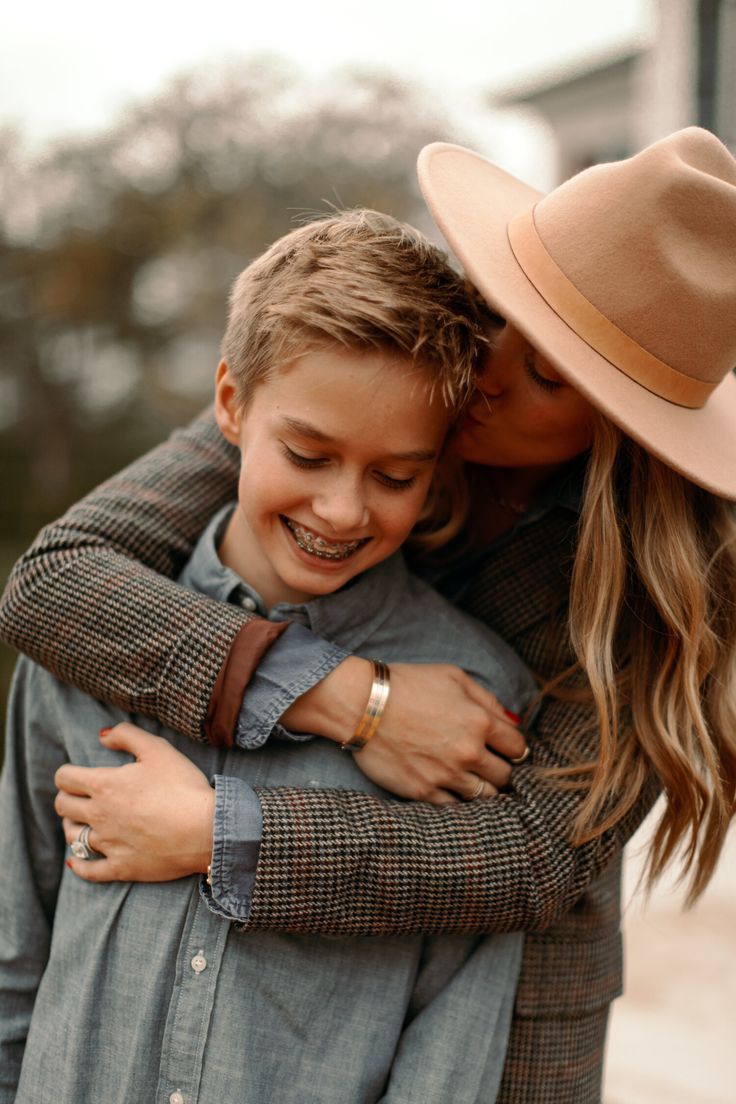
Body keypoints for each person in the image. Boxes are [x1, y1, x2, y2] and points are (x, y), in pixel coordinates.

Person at [2, 127, 736, 1104]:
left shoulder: (651, 595)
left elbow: (525, 861)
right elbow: (59, 579)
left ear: (617, 421)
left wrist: (223, 831)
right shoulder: (345, 385)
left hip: (496, 1026)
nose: (488, 369)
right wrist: (354, 698)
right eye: (500, 313)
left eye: (548, 374)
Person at [0, 209, 536, 1104]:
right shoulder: (80, 639)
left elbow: (452, 1039)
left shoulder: (473, 704)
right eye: (307, 454)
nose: (340, 509)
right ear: (230, 405)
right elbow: (13, 952)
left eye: (394, 477)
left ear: (438, 467)